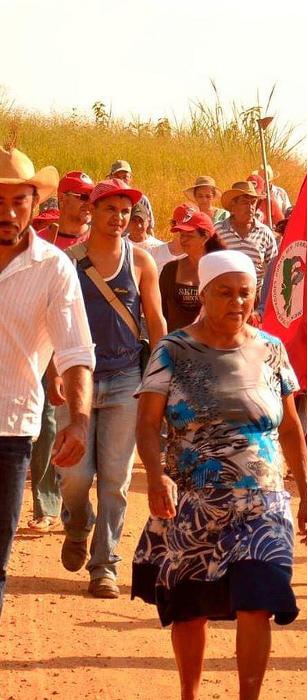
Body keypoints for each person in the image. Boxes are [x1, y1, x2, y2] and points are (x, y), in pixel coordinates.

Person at [131, 250, 307, 700]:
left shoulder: (271, 349)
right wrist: (156, 477)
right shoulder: (172, 350)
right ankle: (189, 694)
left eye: (244, 293)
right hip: (195, 501)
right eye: (225, 293)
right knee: (190, 606)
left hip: (264, 499)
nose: (237, 302)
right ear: (202, 293)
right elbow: (147, 422)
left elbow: (291, 427)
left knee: (260, 598)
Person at [56, 178, 167, 599]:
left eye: (126, 211)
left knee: (115, 480)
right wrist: (53, 372)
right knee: (75, 477)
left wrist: (163, 374)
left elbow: (155, 322)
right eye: (111, 210)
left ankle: (105, 566)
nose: (119, 218)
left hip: (125, 381)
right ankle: (77, 523)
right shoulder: (67, 261)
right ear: (93, 211)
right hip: (76, 380)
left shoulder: (141, 262)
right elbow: (54, 320)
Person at [0, 147, 94, 616]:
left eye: (20, 200)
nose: (9, 211)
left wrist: (78, 419)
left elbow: (75, 350)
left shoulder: (54, 267)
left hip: (10, 431)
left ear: (35, 205)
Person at [27, 171, 95, 532]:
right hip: (47, 345)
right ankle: (46, 503)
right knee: (48, 423)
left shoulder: (97, 242)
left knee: (86, 427)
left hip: (90, 347)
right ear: (63, 198)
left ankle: (78, 505)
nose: (87, 204)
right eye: (80, 196)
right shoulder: (42, 242)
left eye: (90, 197)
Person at [215, 180, 278, 322]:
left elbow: (275, 268)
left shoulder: (264, 233)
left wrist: (262, 307)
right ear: (233, 205)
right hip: (224, 298)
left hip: (254, 301)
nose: (250, 207)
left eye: (253, 202)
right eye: (245, 202)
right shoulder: (218, 231)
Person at [160, 204, 226, 331]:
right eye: (182, 235)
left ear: (205, 237)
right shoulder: (170, 270)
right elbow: (161, 313)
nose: (183, 240)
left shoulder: (223, 272)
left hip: (212, 347)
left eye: (189, 235)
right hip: (176, 347)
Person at [109, 159, 156, 234]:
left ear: (130, 178)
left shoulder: (141, 199)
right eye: (117, 177)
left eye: (125, 177)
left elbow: (149, 228)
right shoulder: (105, 199)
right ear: (110, 178)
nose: (121, 180)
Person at [51, 170, 93, 250]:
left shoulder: (100, 240)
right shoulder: (38, 241)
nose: (90, 204)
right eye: (84, 197)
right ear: (62, 198)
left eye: (93, 198)